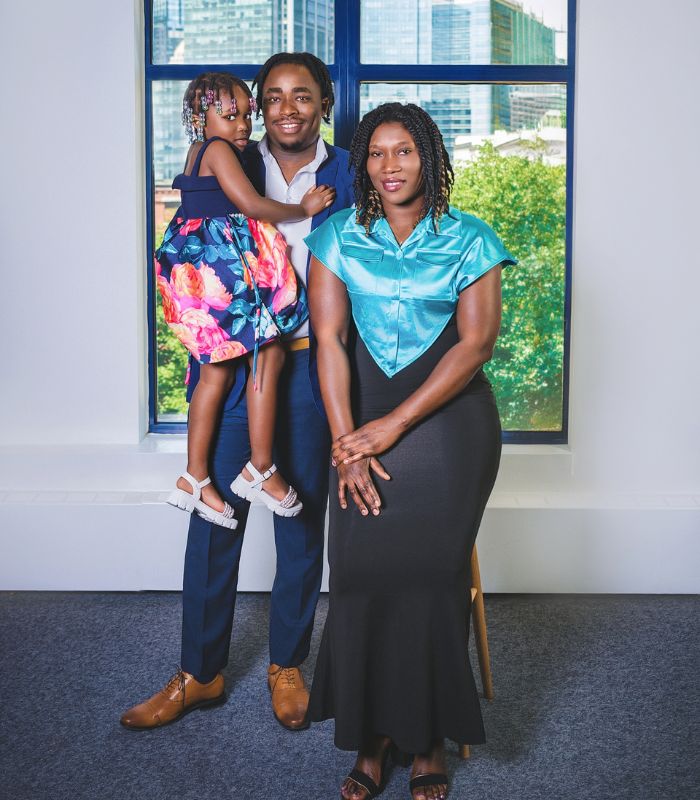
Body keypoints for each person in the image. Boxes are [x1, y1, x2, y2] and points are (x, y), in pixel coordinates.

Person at [121, 53, 355, 732]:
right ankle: (200, 672)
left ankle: (287, 663)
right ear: (255, 105)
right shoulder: (232, 158)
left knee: (300, 517)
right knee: (215, 516)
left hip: (308, 366)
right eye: (273, 96)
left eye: (302, 96)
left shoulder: (348, 173)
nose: (286, 108)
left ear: (323, 104)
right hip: (235, 364)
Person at [305, 102, 516, 800]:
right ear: (361, 162)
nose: (389, 166)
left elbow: (476, 346)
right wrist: (347, 444)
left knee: (430, 573)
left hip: (450, 422)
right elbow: (330, 345)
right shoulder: (336, 236)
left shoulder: (471, 238)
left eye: (404, 152)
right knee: (359, 568)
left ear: (428, 157)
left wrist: (391, 427)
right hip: (356, 417)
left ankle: (426, 742)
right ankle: (372, 736)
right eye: (375, 154)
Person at [156, 72, 335, 525]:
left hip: (200, 267)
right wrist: (303, 209)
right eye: (229, 115)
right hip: (220, 268)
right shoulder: (218, 151)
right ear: (202, 116)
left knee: (215, 374)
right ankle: (259, 466)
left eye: (246, 116)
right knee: (267, 354)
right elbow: (251, 205)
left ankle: (195, 476)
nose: (242, 127)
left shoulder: (201, 150)